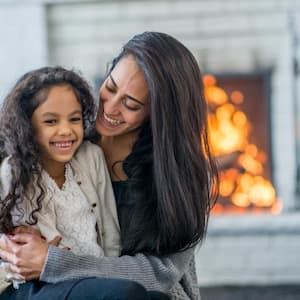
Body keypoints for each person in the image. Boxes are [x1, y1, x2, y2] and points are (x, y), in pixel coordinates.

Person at [0, 32, 218, 300]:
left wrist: (54, 262)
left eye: (130, 104)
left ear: (158, 113)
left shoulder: (180, 175)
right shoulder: (63, 141)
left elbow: (161, 273)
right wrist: (13, 245)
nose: (110, 108)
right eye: (111, 87)